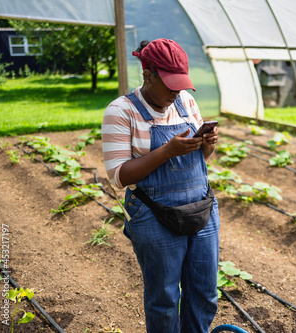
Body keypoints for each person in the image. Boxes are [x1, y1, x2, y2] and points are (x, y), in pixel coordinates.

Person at [101, 38, 220, 332]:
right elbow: (119, 176)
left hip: (200, 208)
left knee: (204, 293)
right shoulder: (121, 111)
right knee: (164, 299)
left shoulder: (186, 103)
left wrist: (207, 145)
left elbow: (203, 159)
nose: (176, 91)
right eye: (169, 84)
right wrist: (166, 151)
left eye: (180, 84)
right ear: (148, 75)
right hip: (154, 214)